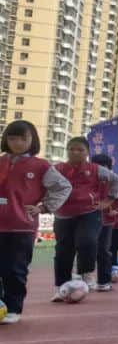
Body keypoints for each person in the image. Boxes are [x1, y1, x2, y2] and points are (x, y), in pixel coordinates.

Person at [0, 121, 72, 324]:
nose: (18, 143)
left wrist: (44, 207)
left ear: (33, 140)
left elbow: (63, 187)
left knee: (15, 269)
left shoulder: (41, 166)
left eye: (24, 138)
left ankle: (13, 308)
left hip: (21, 226)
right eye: (13, 138)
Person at [51, 137, 118, 301]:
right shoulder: (56, 169)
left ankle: (86, 272)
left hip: (89, 212)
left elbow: (117, 181)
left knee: (87, 241)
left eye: (80, 149)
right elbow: (43, 184)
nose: (75, 152)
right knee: (63, 251)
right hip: (63, 214)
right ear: (67, 151)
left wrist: (109, 199)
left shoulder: (96, 169)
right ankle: (62, 287)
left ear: (87, 152)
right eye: (72, 149)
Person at [90, 153, 118, 291]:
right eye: (97, 166)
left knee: (103, 250)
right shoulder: (86, 178)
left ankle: (104, 281)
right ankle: (83, 278)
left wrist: (117, 210)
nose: (100, 169)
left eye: (104, 166)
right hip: (86, 219)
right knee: (85, 248)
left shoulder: (113, 181)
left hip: (106, 221)